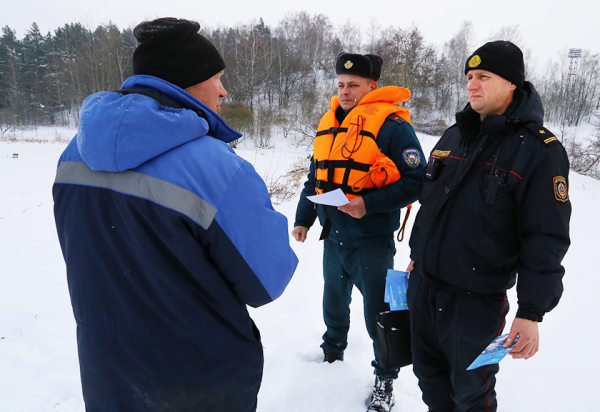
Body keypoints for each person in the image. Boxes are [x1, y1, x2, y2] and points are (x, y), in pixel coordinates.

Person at [53, 18, 298, 412]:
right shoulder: (218, 169)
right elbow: (267, 281)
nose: (223, 90)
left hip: (108, 372)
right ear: (187, 81)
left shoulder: (74, 154)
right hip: (200, 377)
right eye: (216, 78)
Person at [407, 41, 571, 411]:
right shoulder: (454, 135)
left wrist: (531, 312)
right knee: (429, 380)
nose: (472, 85)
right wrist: (418, 255)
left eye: (484, 76)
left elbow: (545, 236)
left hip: (473, 301)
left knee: (471, 393)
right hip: (424, 287)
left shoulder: (539, 150)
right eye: (469, 77)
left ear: (512, 83)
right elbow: (431, 204)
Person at [292, 52, 425, 412]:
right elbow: (315, 178)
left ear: (372, 87)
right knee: (333, 302)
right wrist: (304, 218)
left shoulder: (393, 127)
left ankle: (385, 379)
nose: (346, 91)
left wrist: (368, 204)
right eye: (340, 85)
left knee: (379, 316)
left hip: (372, 241)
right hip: (334, 237)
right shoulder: (330, 125)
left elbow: (417, 182)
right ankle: (332, 353)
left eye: (353, 85)